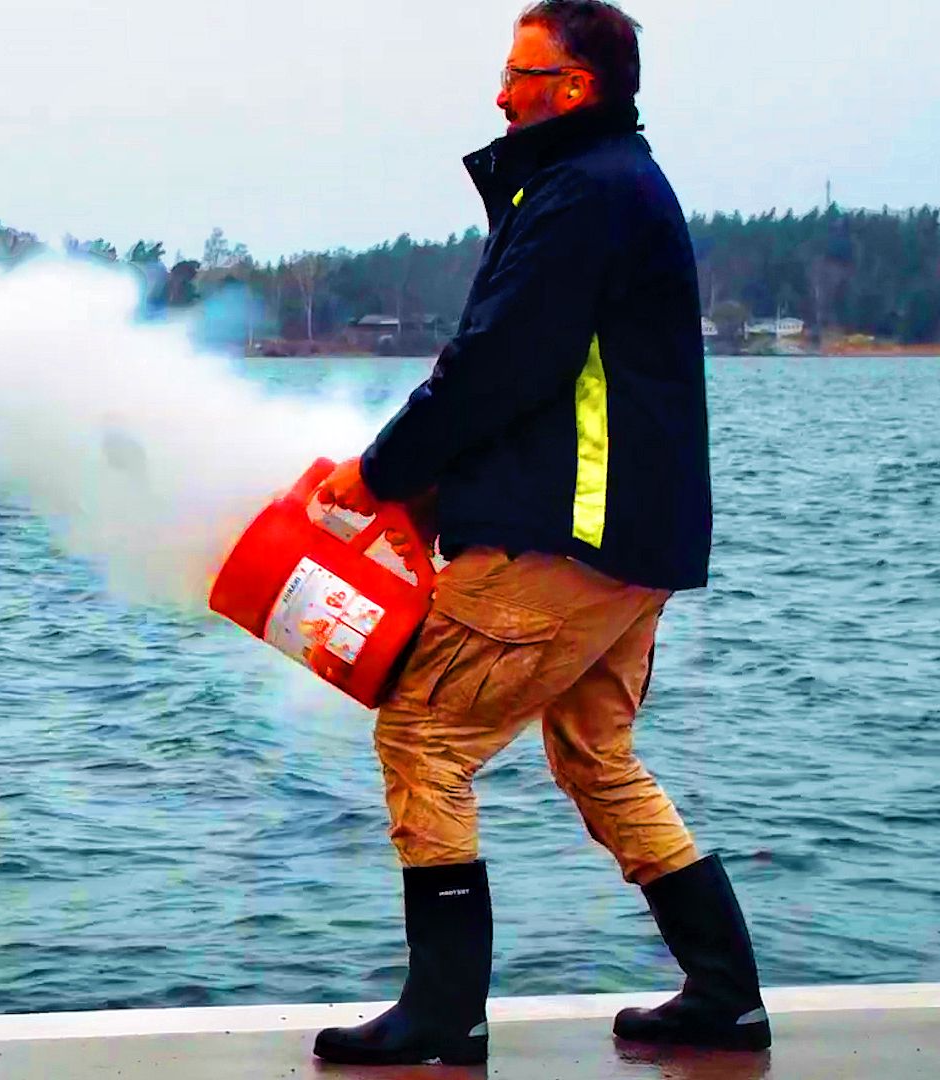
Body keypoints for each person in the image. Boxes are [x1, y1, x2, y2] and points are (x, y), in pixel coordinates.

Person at [309, 0, 769, 1066]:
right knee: (595, 756)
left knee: (424, 733)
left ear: (577, 89)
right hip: (632, 544)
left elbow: (501, 362)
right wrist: (435, 490)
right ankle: (724, 997)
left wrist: (381, 473)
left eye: (521, 73)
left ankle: (442, 1017)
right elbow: (538, 370)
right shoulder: (598, 186)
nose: (500, 93)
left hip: (567, 541)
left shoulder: (583, 194)